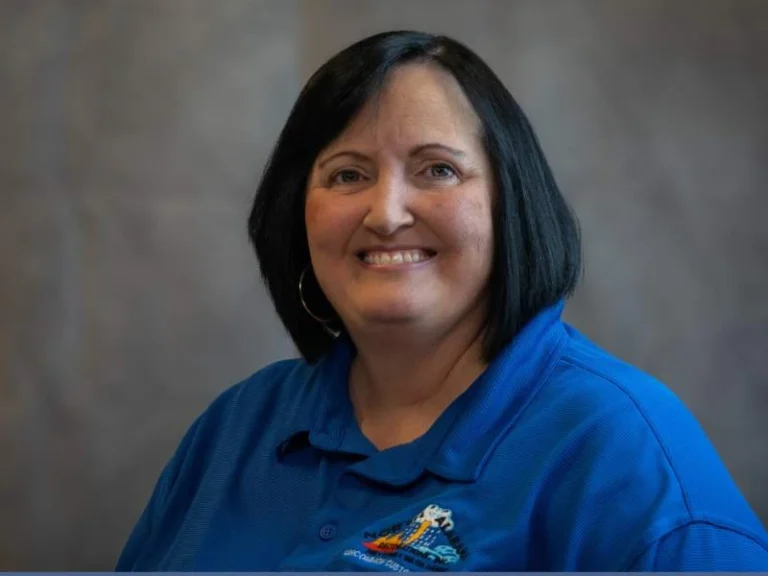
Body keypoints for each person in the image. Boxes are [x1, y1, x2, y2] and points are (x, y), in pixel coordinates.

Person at [116, 31, 768, 571]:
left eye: (438, 170)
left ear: (510, 202)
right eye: (348, 174)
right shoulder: (238, 427)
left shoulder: (624, 452)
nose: (386, 213)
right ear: (297, 212)